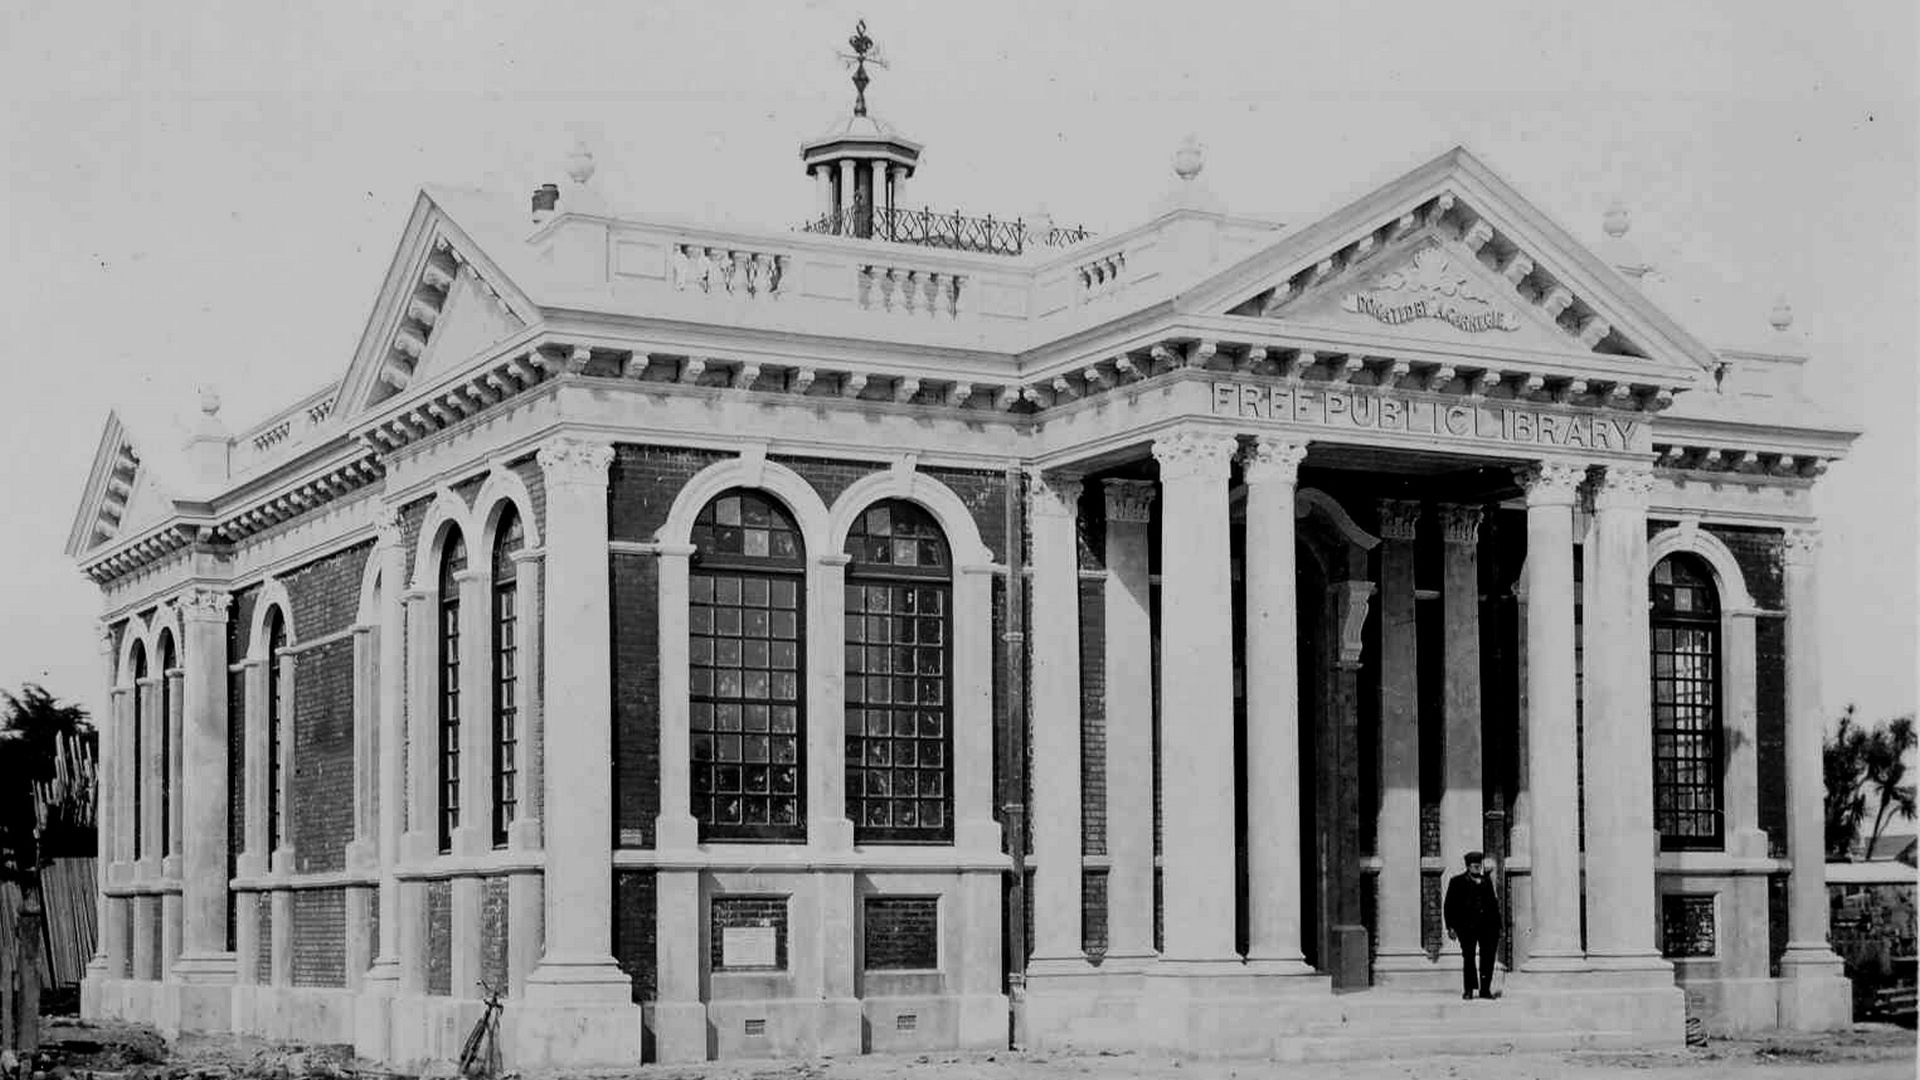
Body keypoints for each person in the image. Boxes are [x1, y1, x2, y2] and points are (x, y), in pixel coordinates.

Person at [1443, 850, 1501, 1000]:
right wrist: (1450, 927)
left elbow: (1493, 905)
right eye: (1473, 865)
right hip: (1466, 927)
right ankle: (1468, 989)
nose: (1476, 867)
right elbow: (1449, 905)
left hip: (1487, 927)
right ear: (1468, 866)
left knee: (1487, 958)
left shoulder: (1486, 881)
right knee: (1468, 957)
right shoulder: (1456, 882)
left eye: (1478, 865)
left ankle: (1485, 990)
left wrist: (1498, 926)